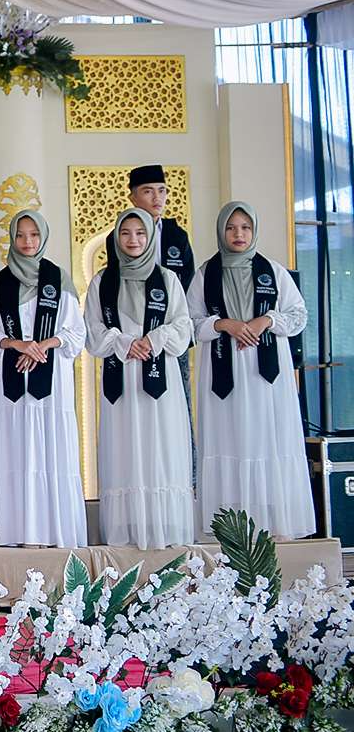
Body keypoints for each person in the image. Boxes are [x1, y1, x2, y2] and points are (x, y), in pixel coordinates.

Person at [190, 201, 312, 539]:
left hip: (266, 375)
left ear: (254, 231)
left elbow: (298, 315)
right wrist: (224, 324)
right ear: (221, 231)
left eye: (245, 227)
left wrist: (266, 320)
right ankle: (229, 526)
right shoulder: (205, 274)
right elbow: (190, 322)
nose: (238, 234)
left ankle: (274, 523)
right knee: (229, 439)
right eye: (231, 228)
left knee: (267, 439)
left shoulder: (273, 271)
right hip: (223, 372)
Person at [85, 209, 195, 549]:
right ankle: (126, 532)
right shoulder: (102, 281)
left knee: (161, 447)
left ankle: (165, 529)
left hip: (160, 380)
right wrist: (123, 342)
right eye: (126, 233)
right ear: (116, 238)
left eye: (141, 233)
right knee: (125, 450)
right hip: (122, 379)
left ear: (150, 238)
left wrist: (155, 339)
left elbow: (183, 326)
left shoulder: (168, 279)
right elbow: (92, 331)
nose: (133, 240)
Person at [0, 210, 86, 548]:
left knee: (52, 450)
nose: (27, 241)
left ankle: (55, 533)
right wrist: (17, 344)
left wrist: (43, 344)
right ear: (12, 239)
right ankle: (21, 533)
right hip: (13, 382)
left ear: (43, 237)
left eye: (34, 235)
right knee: (18, 451)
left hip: (52, 382)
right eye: (21, 235)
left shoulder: (59, 279)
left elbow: (76, 334)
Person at [128, 166, 196, 293]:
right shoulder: (121, 236)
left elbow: (188, 280)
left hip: (173, 302)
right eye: (148, 192)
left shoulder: (177, 235)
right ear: (133, 199)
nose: (157, 198)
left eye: (161, 191)